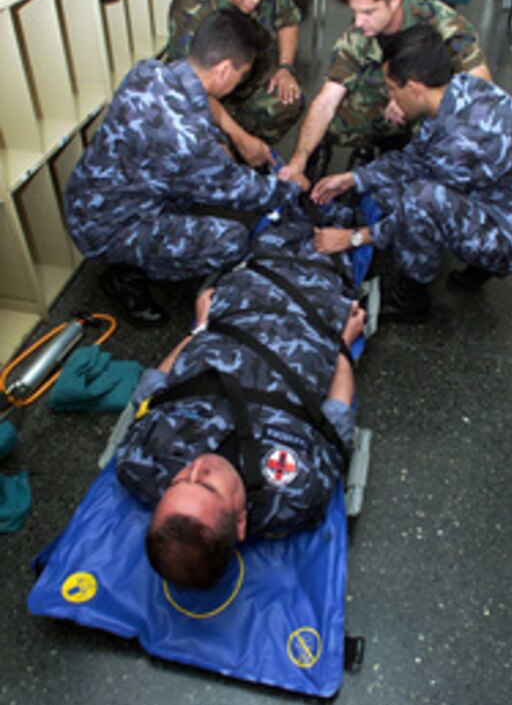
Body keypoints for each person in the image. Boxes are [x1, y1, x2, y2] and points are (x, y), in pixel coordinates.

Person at [115, 202, 366, 588]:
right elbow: (337, 416)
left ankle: (302, 190)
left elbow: (153, 385)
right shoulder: (295, 491)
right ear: (242, 522)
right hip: (311, 307)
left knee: (283, 220)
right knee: (335, 226)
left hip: (242, 295)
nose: (196, 467)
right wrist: (344, 346)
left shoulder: (141, 462)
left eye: (179, 482)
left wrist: (200, 327)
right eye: (207, 485)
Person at [65, 9, 308, 327]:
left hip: (87, 198)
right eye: (241, 74)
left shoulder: (149, 71)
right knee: (231, 239)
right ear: (223, 70)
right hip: (106, 228)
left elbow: (199, 102)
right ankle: (126, 277)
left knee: (205, 171)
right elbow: (245, 193)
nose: (240, 82)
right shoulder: (186, 140)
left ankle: (141, 249)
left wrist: (235, 137)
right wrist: (293, 187)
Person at [310, 25, 512, 321]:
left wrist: (352, 238)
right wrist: (354, 178)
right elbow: (416, 158)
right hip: (509, 203)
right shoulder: (458, 90)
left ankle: (411, 301)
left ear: (415, 87)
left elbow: (417, 208)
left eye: (393, 89)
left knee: (420, 200)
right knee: (402, 189)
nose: (389, 98)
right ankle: (481, 265)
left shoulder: (463, 138)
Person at [279, 0, 491, 181]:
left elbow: (483, 92)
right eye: (355, 12)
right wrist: (297, 162)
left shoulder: (442, 22)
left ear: (395, 0)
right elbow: (326, 101)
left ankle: (401, 161)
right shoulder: (356, 37)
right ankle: (359, 152)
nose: (358, 22)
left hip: (429, 112)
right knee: (332, 116)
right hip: (380, 104)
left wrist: (411, 100)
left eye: (368, 12)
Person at [168, 0, 303, 168]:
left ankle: (249, 156)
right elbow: (190, 86)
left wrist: (286, 68)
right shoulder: (191, 6)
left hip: (250, 82)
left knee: (289, 101)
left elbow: (288, 20)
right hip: (207, 96)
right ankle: (236, 153)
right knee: (211, 156)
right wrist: (237, 136)